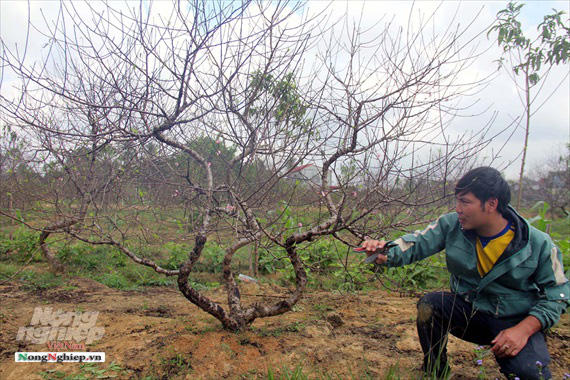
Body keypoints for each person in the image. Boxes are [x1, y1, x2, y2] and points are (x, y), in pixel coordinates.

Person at [360, 167, 569, 379]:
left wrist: (523, 330)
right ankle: (435, 372)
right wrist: (384, 252)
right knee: (430, 305)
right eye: (457, 201)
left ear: (491, 204)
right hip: (471, 312)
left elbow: (558, 295)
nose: (458, 209)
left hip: (513, 322)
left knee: (533, 375)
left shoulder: (536, 243)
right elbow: (416, 243)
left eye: (465, 202)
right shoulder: (451, 225)